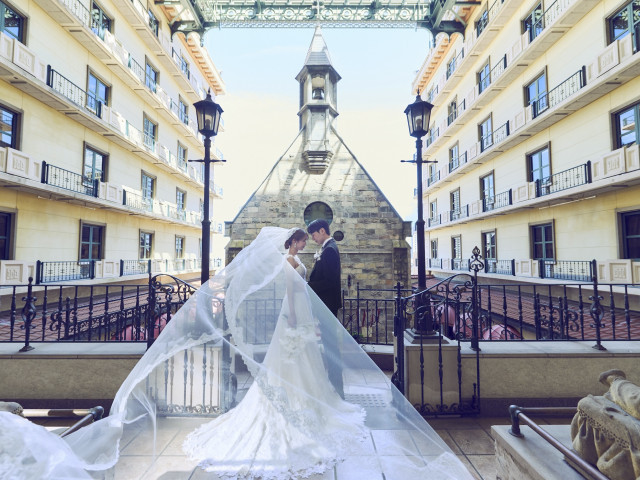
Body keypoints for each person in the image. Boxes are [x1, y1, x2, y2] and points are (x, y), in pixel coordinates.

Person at [0, 227, 473, 480]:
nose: (306, 245)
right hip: (296, 327)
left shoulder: (293, 261)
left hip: (297, 328)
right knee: (298, 375)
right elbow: (293, 298)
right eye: (302, 240)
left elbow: (296, 294)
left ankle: (305, 407)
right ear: (293, 243)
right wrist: (298, 321)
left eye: (308, 240)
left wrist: (299, 318)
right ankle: (303, 412)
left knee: (297, 375)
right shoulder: (291, 264)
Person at [307, 219, 344, 397]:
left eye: (313, 235)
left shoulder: (329, 250)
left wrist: (308, 286)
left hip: (328, 305)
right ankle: (334, 385)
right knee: (329, 346)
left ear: (322, 231)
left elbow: (329, 281)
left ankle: (337, 387)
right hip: (327, 304)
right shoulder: (328, 248)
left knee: (331, 347)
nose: (313, 239)